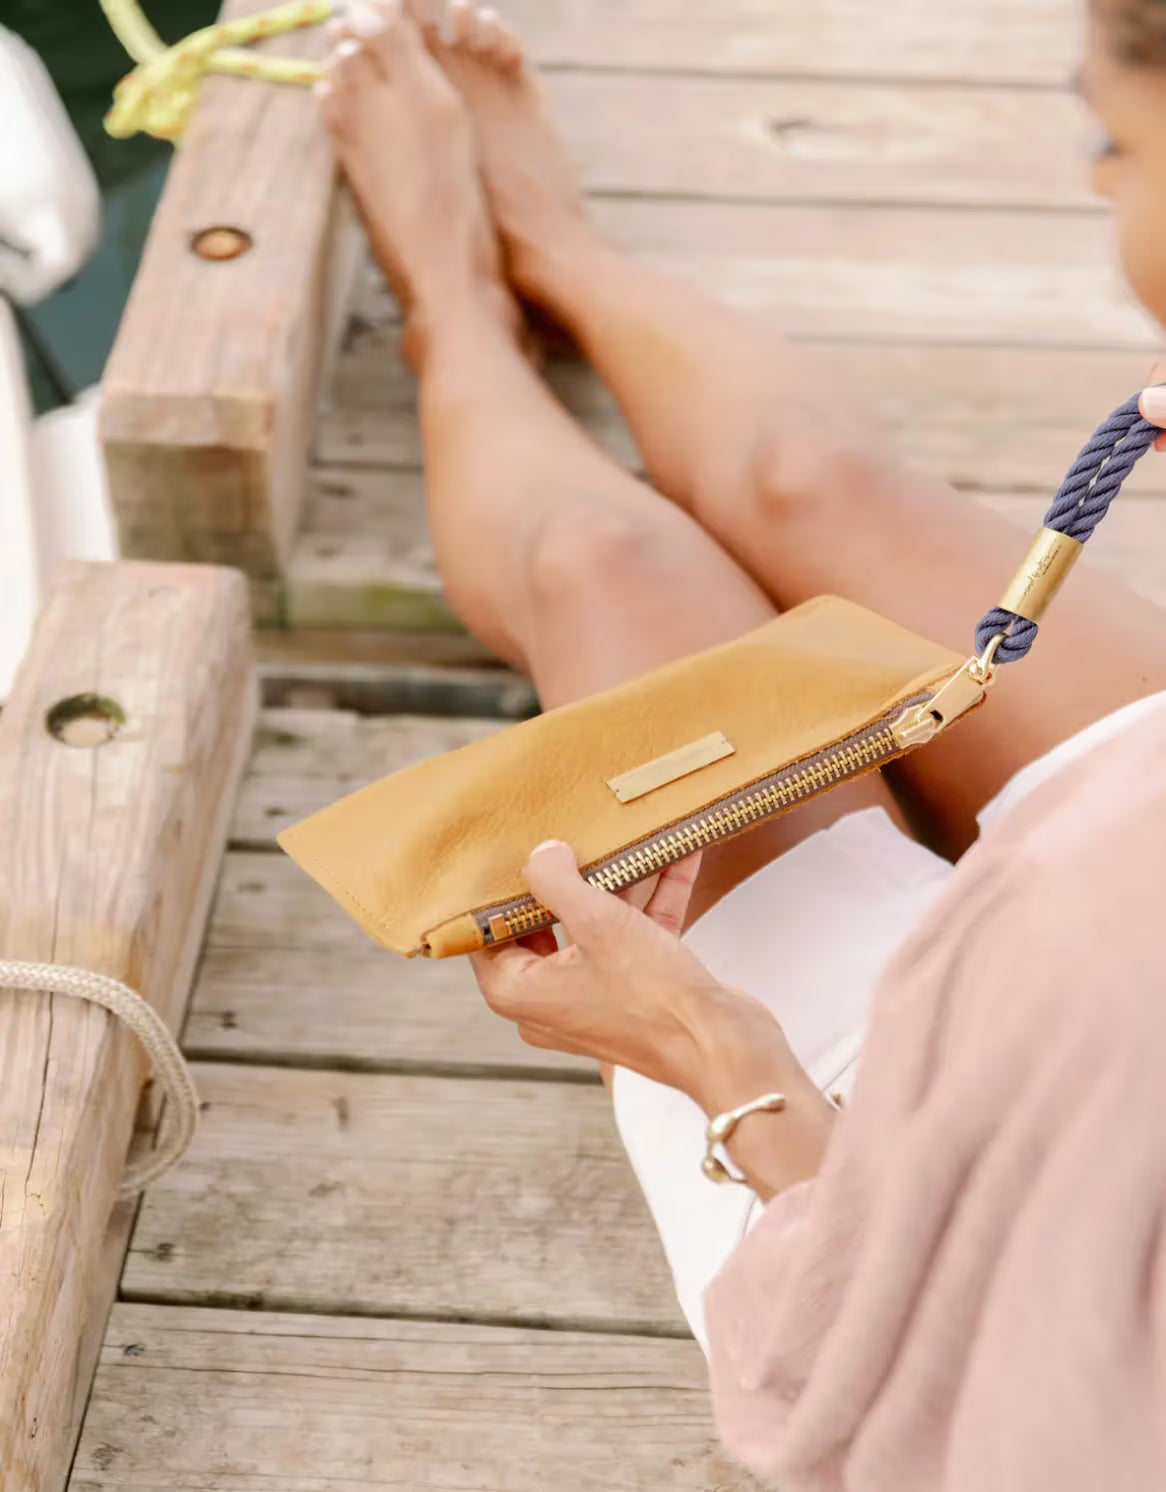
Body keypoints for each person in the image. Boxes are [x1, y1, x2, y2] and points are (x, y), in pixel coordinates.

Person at [315, 2, 1166, 1485]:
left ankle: (450, 298)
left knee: (604, 563)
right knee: (809, 476)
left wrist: (710, 1054)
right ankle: (555, 248)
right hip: (1111, 900)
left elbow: (942, 1407)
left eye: (1114, 143)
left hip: (905, 1179)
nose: (1100, 188)